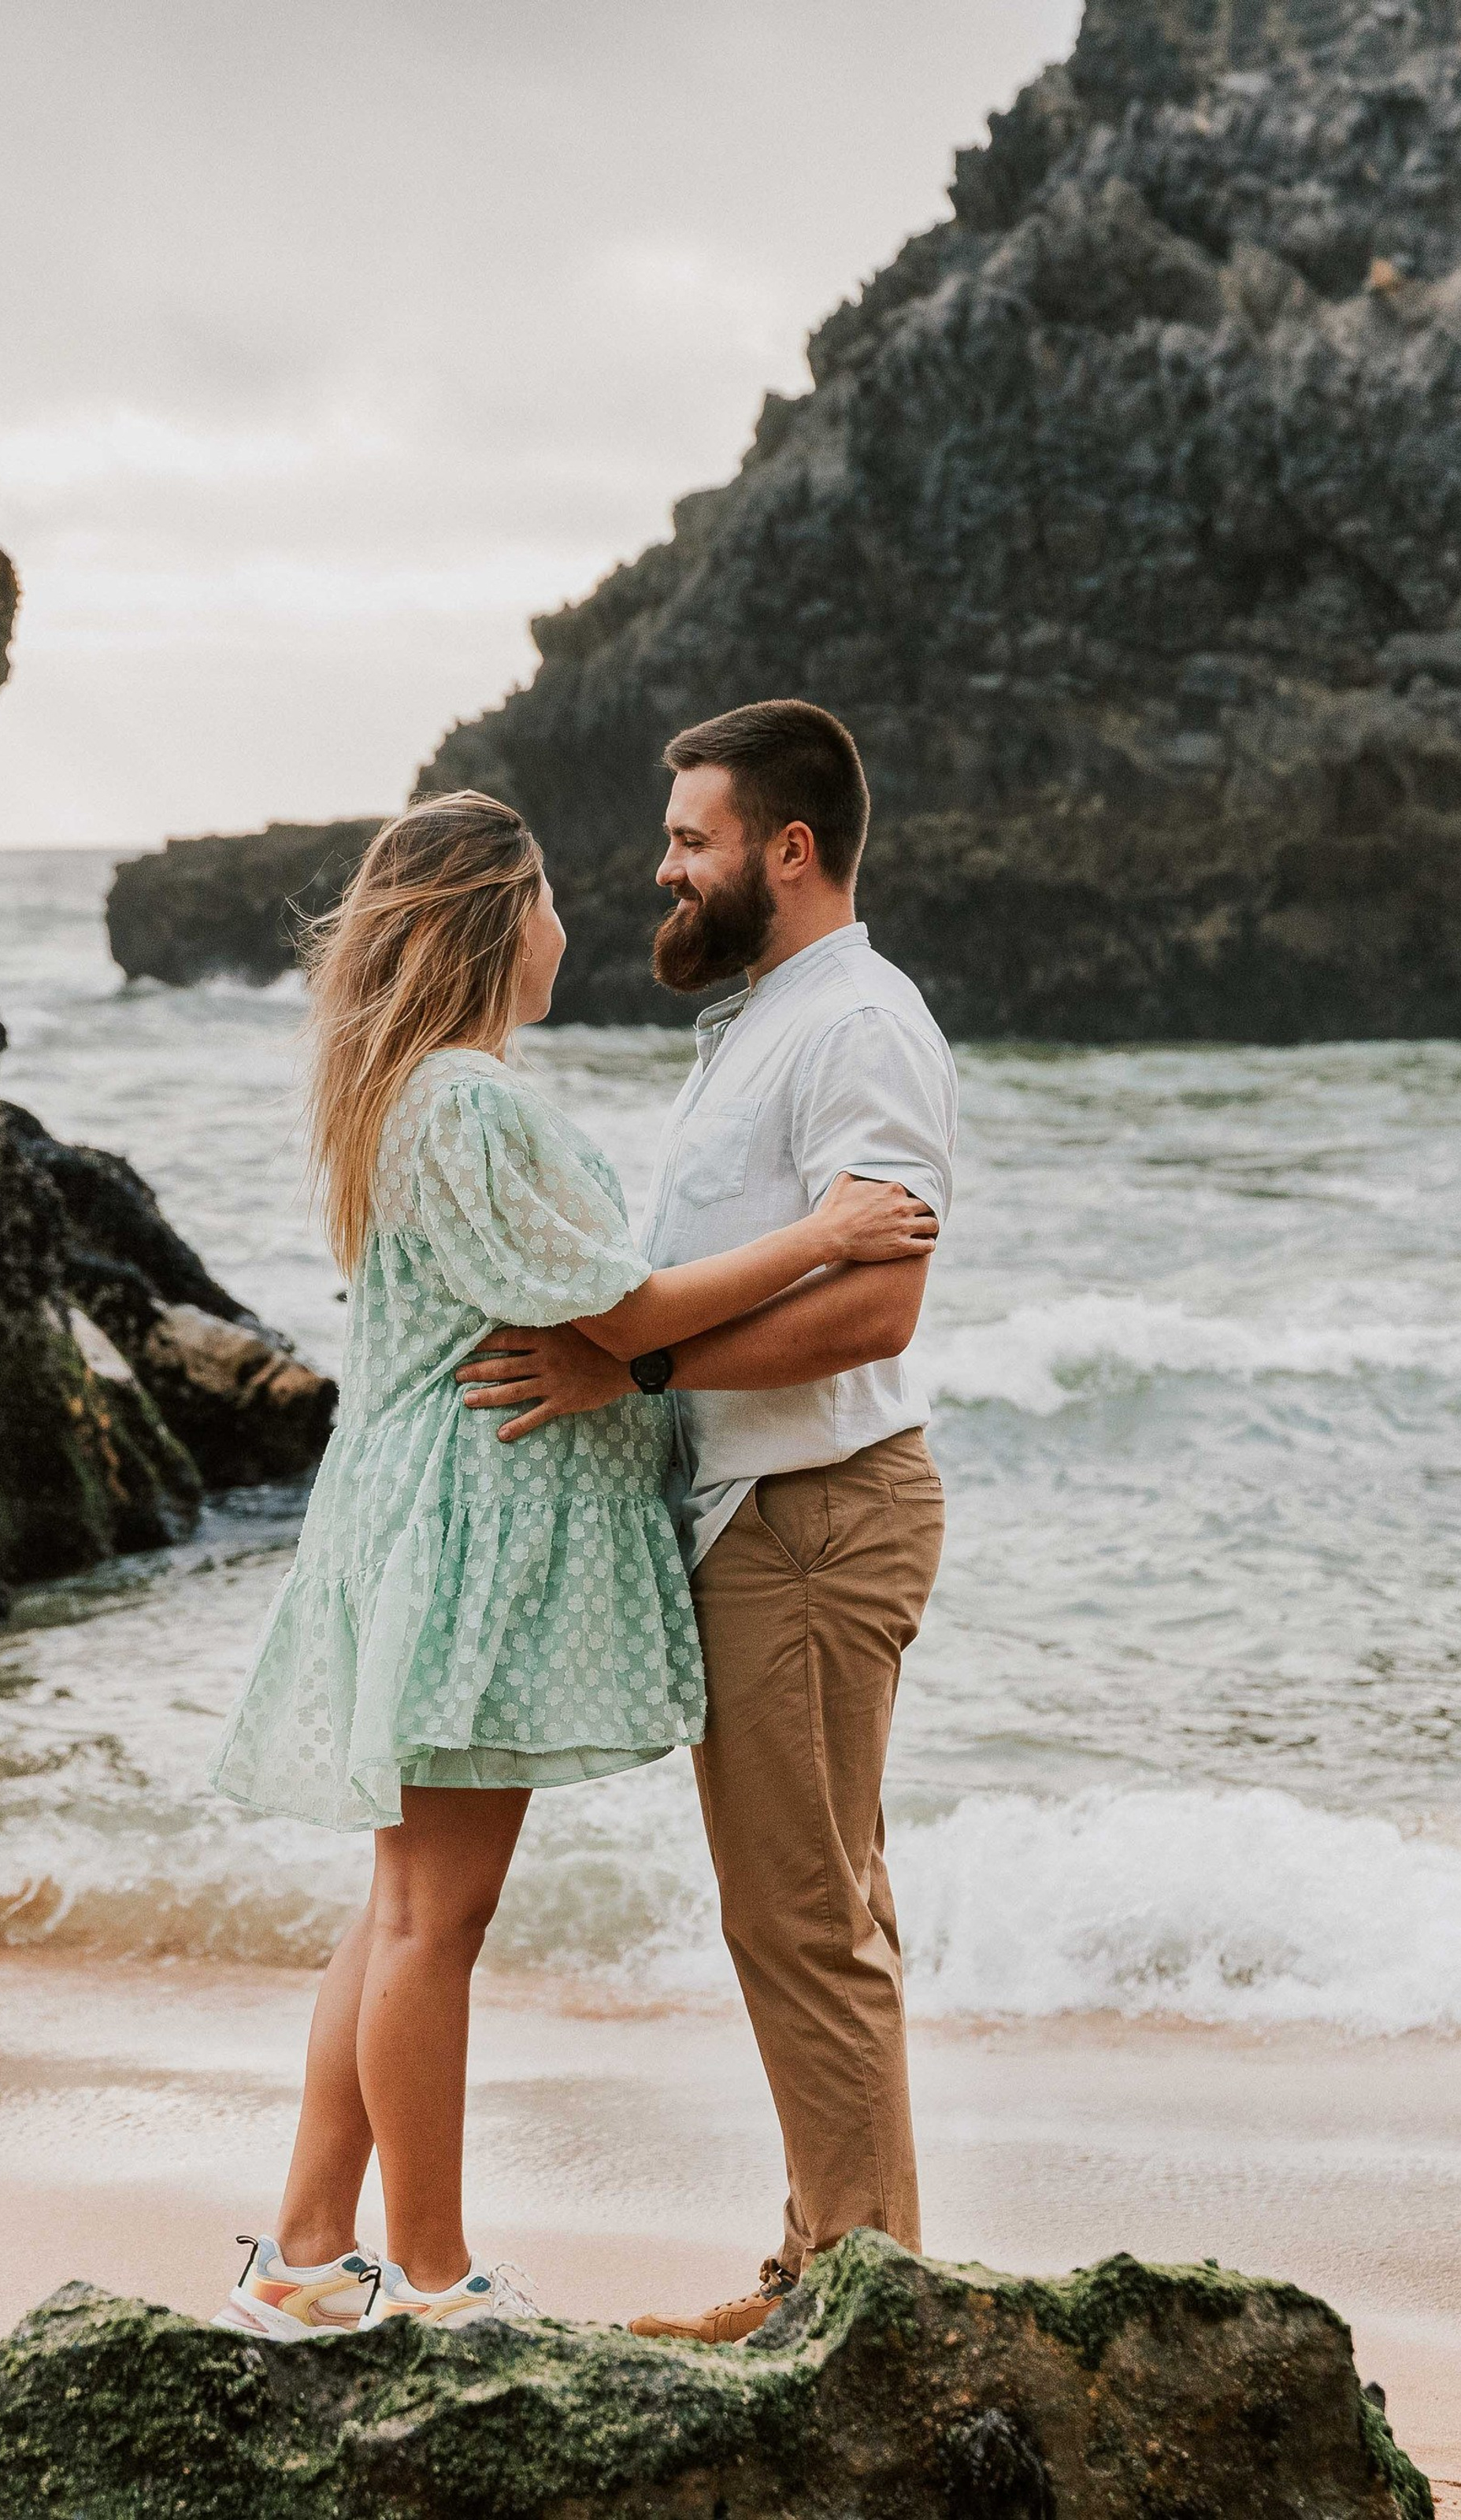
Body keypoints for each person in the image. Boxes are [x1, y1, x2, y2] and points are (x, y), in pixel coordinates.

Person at [206, 788, 938, 2338]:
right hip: (471, 1534)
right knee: (431, 1918)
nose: (569, 924)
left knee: (398, 1904)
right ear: (495, 922)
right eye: (544, 900)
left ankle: (302, 2247)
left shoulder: (419, 1092)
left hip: (431, 1518)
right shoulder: (463, 1101)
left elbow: (594, 1309)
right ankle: (426, 2271)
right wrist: (825, 1231)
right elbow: (614, 1308)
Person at [455, 700, 955, 2341]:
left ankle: (860, 2305)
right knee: (799, 1904)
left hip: (814, 1509)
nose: (660, 867)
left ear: (785, 851)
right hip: (767, 1510)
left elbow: (877, 1307)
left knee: (802, 1913)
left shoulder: (858, 1024)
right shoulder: (764, 1020)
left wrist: (638, 1362)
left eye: (691, 839)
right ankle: (828, 2265)